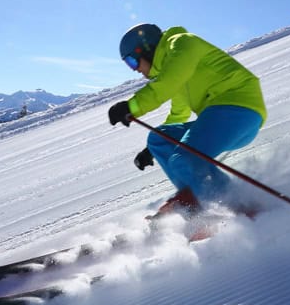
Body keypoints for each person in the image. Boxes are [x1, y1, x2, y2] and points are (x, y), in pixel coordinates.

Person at [108, 23, 267, 215]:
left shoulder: (182, 43)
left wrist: (132, 106)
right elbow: (179, 112)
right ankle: (217, 201)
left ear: (146, 49)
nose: (134, 70)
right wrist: (151, 150)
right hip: (222, 119)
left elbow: (169, 81)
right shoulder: (172, 68)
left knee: (184, 158)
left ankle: (201, 208)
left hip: (239, 109)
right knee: (158, 139)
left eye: (132, 62)